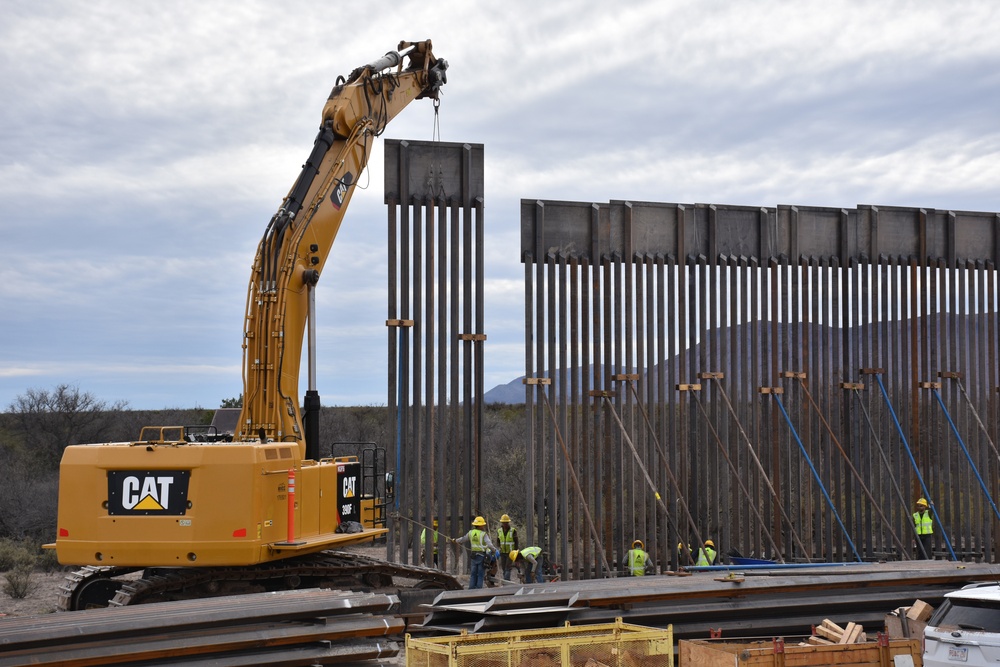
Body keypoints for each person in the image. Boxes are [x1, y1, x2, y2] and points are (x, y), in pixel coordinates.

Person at [454, 516, 495, 589]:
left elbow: (463, 539)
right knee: (480, 574)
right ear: (481, 525)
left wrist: (455, 540)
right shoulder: (483, 534)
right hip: (481, 556)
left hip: (474, 556)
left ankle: (471, 589)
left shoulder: (471, 533)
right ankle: (478, 590)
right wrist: (494, 550)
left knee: (473, 574)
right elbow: (489, 544)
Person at [496, 514, 519, 582]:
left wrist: (516, 552)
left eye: (506, 522)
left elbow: (516, 542)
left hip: (510, 553)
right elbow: (498, 541)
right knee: (503, 568)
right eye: (503, 522)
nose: (505, 524)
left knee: (507, 567)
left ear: (508, 522)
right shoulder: (499, 531)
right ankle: (506, 581)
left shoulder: (513, 531)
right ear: (502, 523)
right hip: (502, 552)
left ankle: (506, 581)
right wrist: (498, 547)